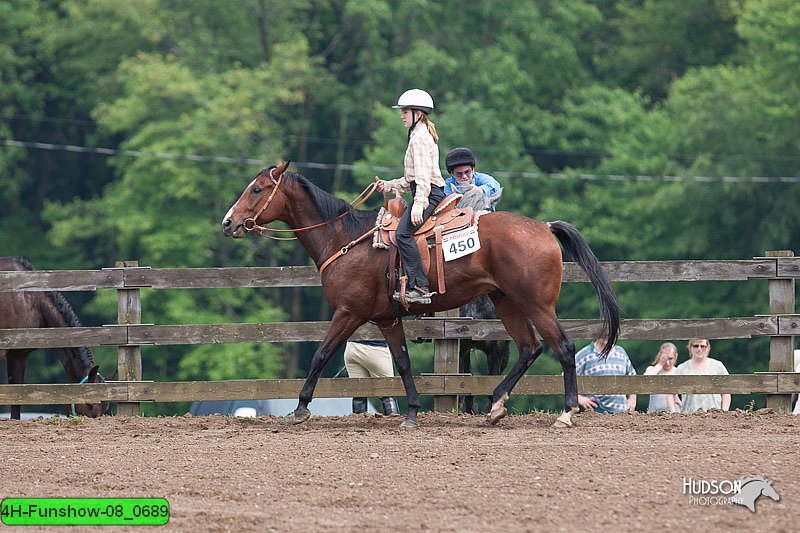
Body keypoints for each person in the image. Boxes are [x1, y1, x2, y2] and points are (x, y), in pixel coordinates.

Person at [376, 88, 446, 304]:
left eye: (405, 111)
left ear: (418, 113)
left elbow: (423, 178)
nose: (401, 115)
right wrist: (388, 185)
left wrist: (419, 204)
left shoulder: (420, 139)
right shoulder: (419, 135)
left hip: (428, 194)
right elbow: (411, 179)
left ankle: (420, 286)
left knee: (403, 234)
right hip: (425, 191)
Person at [575, 338, 637, 413]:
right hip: (596, 412)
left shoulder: (621, 352)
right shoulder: (585, 353)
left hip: (622, 412)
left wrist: (632, 399)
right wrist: (579, 398)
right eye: (605, 331)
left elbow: (632, 376)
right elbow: (566, 377)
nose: (608, 335)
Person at [674, 338, 730, 413]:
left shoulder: (717, 366)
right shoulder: (682, 368)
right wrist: (673, 412)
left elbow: (726, 392)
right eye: (696, 346)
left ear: (708, 348)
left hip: (714, 416)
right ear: (690, 347)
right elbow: (670, 392)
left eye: (702, 346)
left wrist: (724, 412)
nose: (699, 349)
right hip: (688, 416)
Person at [344, 340, 399, 416]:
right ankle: (393, 420)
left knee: (359, 393)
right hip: (376, 349)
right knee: (388, 391)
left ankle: (358, 424)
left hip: (351, 347)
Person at [643, 342, 681, 413]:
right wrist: (660, 364)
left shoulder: (678, 371)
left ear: (676, 356)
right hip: (654, 412)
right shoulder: (652, 369)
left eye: (670, 359)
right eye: (665, 359)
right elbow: (645, 381)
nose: (667, 363)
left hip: (673, 411)